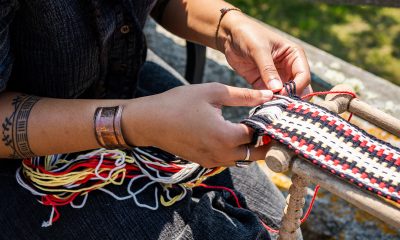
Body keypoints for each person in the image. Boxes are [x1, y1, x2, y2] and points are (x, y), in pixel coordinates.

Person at [0, 0, 311, 239]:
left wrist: (230, 26)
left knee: (270, 221)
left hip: (119, 78)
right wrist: (134, 124)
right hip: (20, 146)